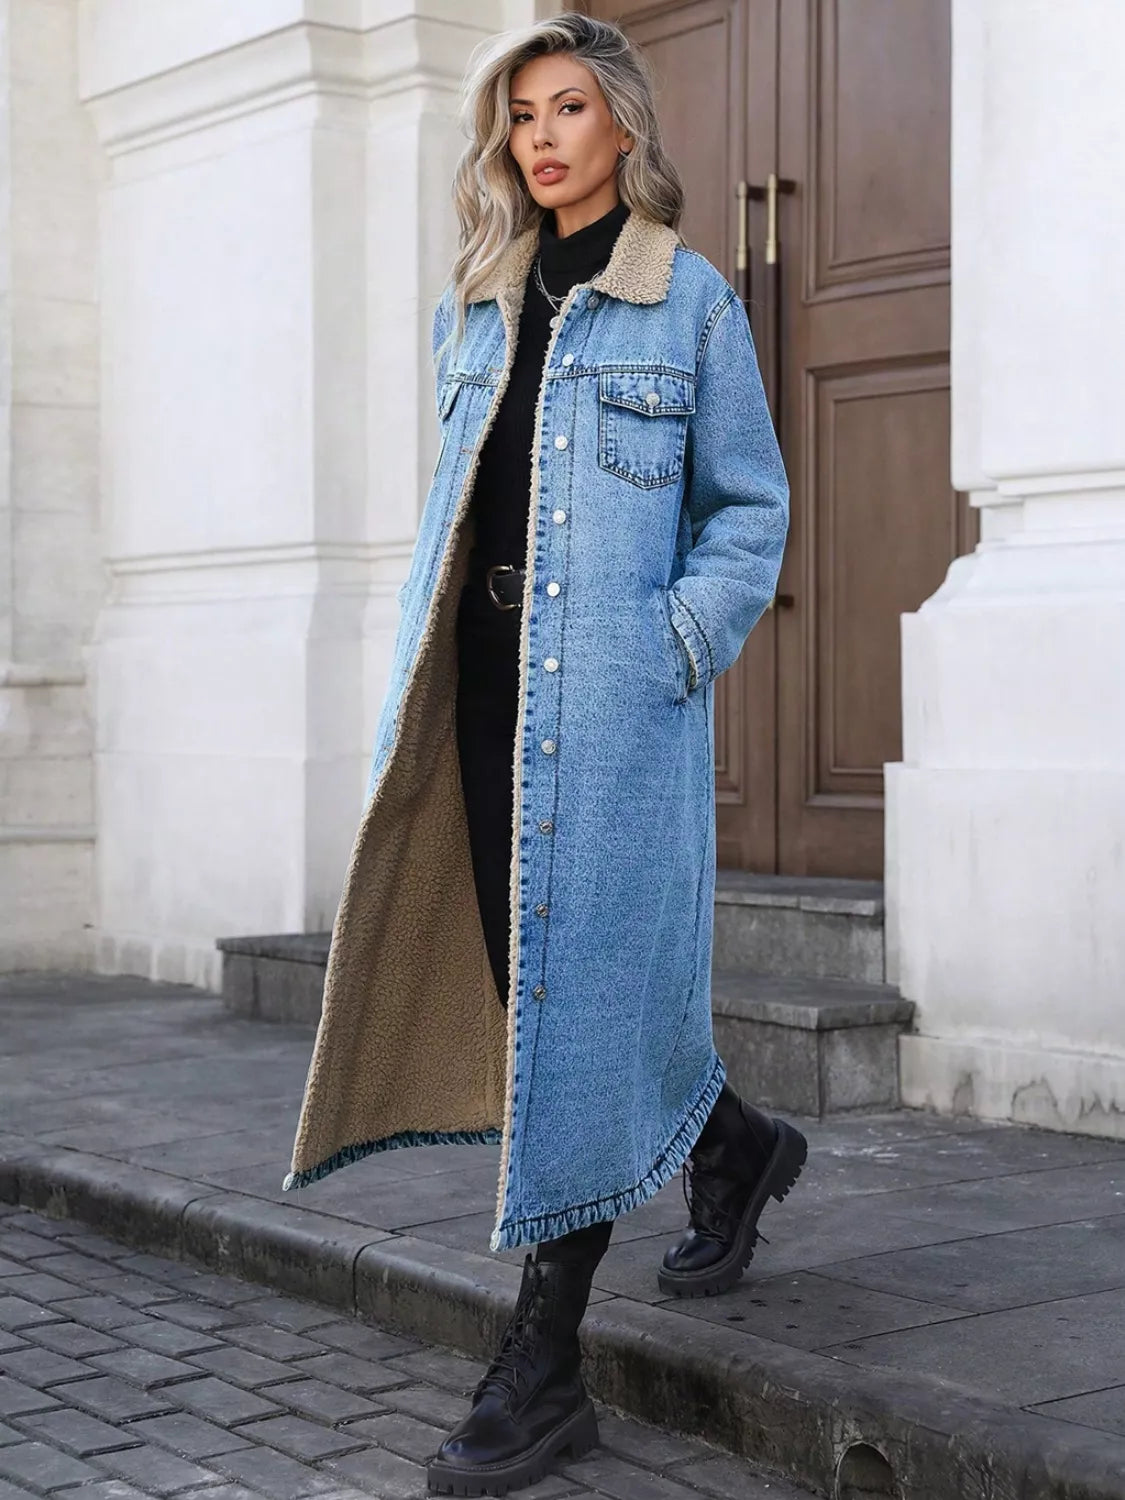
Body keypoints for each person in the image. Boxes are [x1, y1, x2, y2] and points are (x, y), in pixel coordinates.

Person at [282, 13, 807, 1496]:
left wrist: (674, 646)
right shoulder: (478, 298)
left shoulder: (686, 301)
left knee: (576, 998)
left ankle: (546, 1358)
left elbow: (748, 513)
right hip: (477, 689)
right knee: (547, 989)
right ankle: (735, 1146)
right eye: (521, 116)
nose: (541, 137)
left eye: (568, 108)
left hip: (611, 709)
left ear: (622, 124)